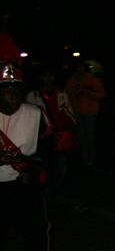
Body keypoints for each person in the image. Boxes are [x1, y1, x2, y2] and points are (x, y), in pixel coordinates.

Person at [0, 62, 58, 251]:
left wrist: (32, 171)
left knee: (36, 230)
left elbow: (45, 150)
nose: (14, 93)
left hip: (23, 183)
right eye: (7, 88)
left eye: (17, 88)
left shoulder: (36, 114)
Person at [25, 64, 78, 208]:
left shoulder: (61, 93)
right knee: (44, 170)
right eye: (47, 75)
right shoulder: (32, 95)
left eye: (51, 75)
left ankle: (49, 194)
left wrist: (69, 132)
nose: (50, 78)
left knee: (60, 171)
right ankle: (46, 199)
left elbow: (71, 115)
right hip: (42, 140)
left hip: (60, 139)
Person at [65, 61, 107, 167]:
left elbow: (102, 94)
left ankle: (91, 159)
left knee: (89, 136)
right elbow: (67, 96)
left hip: (90, 112)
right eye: (77, 67)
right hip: (77, 112)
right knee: (81, 137)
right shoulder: (72, 81)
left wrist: (90, 94)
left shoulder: (92, 80)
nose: (79, 70)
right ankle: (85, 159)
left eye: (81, 67)